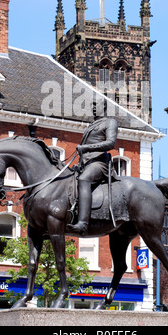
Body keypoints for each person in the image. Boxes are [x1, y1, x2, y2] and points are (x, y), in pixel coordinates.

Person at [67, 100, 118, 234]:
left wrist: (86, 147)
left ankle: (83, 223)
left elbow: (111, 143)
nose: (93, 108)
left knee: (84, 179)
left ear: (104, 107)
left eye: (96, 105)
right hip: (86, 163)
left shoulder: (110, 122)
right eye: (92, 105)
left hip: (100, 163)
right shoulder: (92, 125)